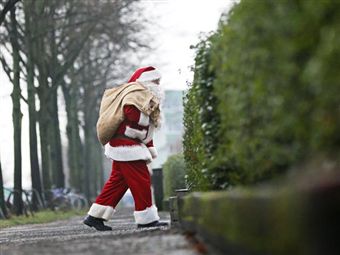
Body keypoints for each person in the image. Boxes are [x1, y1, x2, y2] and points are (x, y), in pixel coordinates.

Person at [83, 66, 168, 231]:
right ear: (147, 81)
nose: (159, 84)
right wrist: (147, 116)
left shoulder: (143, 95)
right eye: (156, 81)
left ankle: (94, 217)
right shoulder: (137, 94)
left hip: (125, 145)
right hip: (127, 146)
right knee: (142, 180)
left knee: (117, 183)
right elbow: (130, 113)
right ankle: (146, 219)